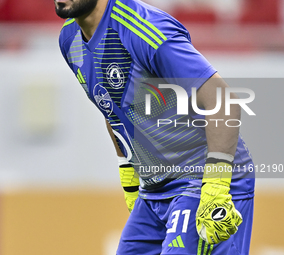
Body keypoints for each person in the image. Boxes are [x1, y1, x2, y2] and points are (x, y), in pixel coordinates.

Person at [55, 0, 255, 254]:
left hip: (202, 180)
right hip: (153, 190)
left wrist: (215, 185)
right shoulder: (69, 39)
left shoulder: (145, 28)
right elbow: (111, 107)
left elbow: (223, 101)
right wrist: (130, 181)